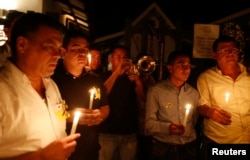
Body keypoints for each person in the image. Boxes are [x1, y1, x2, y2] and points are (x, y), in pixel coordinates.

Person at [0, 12, 80, 159]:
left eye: (59, 49)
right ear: (21, 44)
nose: (57, 55)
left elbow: (58, 119)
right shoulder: (3, 90)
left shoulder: (51, 86)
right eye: (50, 46)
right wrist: (41, 156)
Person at [51, 29, 109, 160]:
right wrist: (69, 116)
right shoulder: (52, 79)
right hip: (61, 149)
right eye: (76, 48)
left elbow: (105, 107)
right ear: (63, 52)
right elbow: (44, 114)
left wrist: (100, 116)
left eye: (85, 49)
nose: (82, 53)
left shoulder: (95, 79)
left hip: (90, 148)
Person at [197, 35, 250, 159]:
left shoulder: (248, 74)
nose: (230, 53)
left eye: (234, 50)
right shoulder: (206, 78)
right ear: (214, 55)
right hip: (220, 140)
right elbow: (200, 106)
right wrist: (210, 112)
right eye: (225, 50)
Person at [145, 50, 200, 160]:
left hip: (189, 148)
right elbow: (149, 124)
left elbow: (194, 121)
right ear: (170, 68)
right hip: (164, 149)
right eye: (181, 64)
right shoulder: (156, 91)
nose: (186, 69)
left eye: (188, 65)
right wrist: (168, 128)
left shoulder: (193, 93)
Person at [99, 45, 145, 160]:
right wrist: (117, 72)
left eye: (124, 57)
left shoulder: (131, 77)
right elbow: (102, 94)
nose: (121, 60)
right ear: (111, 59)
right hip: (107, 132)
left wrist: (137, 79)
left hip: (129, 132)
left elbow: (144, 97)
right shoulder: (103, 76)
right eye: (118, 57)